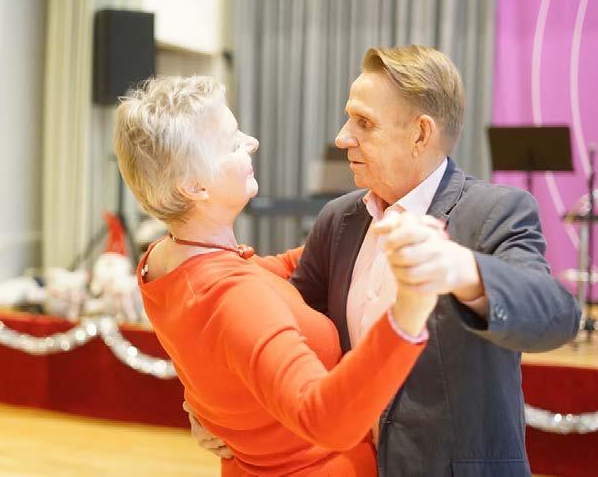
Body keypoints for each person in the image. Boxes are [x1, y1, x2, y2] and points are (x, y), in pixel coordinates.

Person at [190, 46, 581, 477]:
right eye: (349, 119)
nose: (342, 137)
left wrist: (460, 269)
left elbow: (557, 316)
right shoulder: (338, 219)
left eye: (364, 123)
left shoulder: (495, 212)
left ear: (420, 134)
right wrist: (208, 407)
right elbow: (280, 327)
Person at [113, 75, 450, 476]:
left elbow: (265, 276)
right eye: (232, 144)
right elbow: (326, 421)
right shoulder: (232, 297)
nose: (252, 142)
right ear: (194, 186)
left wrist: (374, 231)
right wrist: (407, 315)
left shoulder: (162, 262)